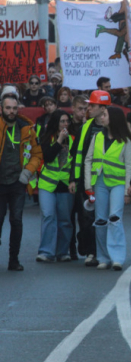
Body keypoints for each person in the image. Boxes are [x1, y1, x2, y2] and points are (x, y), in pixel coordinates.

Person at [84, 106, 131, 270]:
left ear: (114, 119)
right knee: (100, 220)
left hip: (118, 184)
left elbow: (129, 166)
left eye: (104, 115)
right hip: (100, 182)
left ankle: (117, 258)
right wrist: (88, 185)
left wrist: (128, 191)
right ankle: (103, 258)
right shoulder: (97, 136)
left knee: (115, 219)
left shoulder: (127, 140)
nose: (101, 117)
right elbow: (88, 160)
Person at [69, 90, 112, 266]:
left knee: (105, 218)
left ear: (103, 108)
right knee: (86, 218)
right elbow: (76, 154)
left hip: (108, 181)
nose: (89, 108)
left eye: (92, 105)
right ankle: (91, 251)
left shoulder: (114, 128)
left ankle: (106, 252)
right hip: (86, 180)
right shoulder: (85, 127)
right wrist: (73, 179)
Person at [0, 94, 42, 270]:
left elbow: (37, 154)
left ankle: (14, 260)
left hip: (18, 181)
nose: (11, 111)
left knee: (16, 220)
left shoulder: (27, 128)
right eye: (8, 108)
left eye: (14, 108)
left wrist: (28, 170)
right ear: (1, 109)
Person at [36, 110, 75, 263]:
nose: (65, 124)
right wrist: (59, 140)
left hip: (65, 184)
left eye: (67, 121)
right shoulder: (47, 137)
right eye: (62, 121)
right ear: (56, 123)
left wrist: (73, 180)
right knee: (48, 216)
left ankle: (62, 252)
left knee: (65, 220)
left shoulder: (73, 139)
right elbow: (48, 157)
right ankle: (46, 252)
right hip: (48, 183)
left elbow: (75, 162)